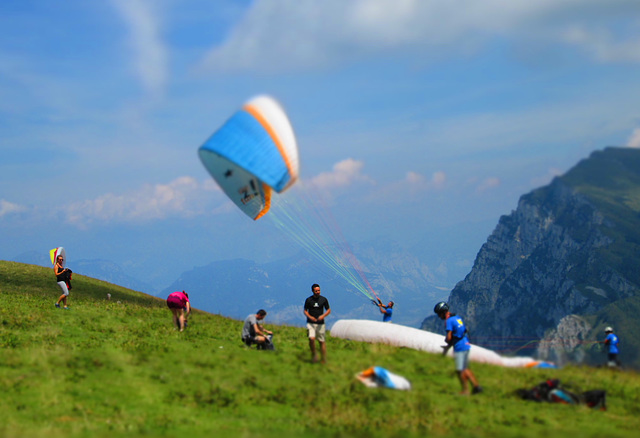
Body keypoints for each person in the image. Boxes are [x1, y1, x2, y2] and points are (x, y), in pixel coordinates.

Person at [434, 301, 482, 395]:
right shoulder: (457, 317)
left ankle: (465, 390)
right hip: (466, 343)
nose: (439, 317)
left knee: (460, 370)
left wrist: (446, 343)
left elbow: (449, 337)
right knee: (465, 368)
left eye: (439, 314)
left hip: (459, 347)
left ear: (443, 312)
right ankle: (477, 386)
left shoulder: (449, 321)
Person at [304, 283, 331, 363]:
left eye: (319, 290)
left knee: (321, 341)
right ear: (313, 291)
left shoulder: (323, 299)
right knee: (311, 338)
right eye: (316, 291)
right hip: (311, 323)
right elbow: (305, 310)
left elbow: (328, 310)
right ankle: (314, 354)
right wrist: (310, 317)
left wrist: (323, 316)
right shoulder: (309, 300)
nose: (318, 292)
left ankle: (323, 359)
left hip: (320, 323)